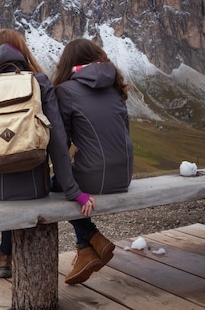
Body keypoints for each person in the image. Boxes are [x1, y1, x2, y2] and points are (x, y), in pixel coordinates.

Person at [0, 29, 94, 280]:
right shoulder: (39, 82)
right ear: (22, 52)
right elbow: (57, 140)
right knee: (18, 176)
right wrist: (73, 191)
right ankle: (5, 254)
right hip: (33, 186)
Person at [52, 38, 134, 285]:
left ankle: (91, 237)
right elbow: (124, 132)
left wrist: (69, 183)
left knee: (55, 186)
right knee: (69, 182)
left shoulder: (65, 90)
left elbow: (61, 146)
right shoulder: (115, 86)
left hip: (94, 178)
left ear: (68, 63)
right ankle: (84, 248)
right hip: (125, 176)